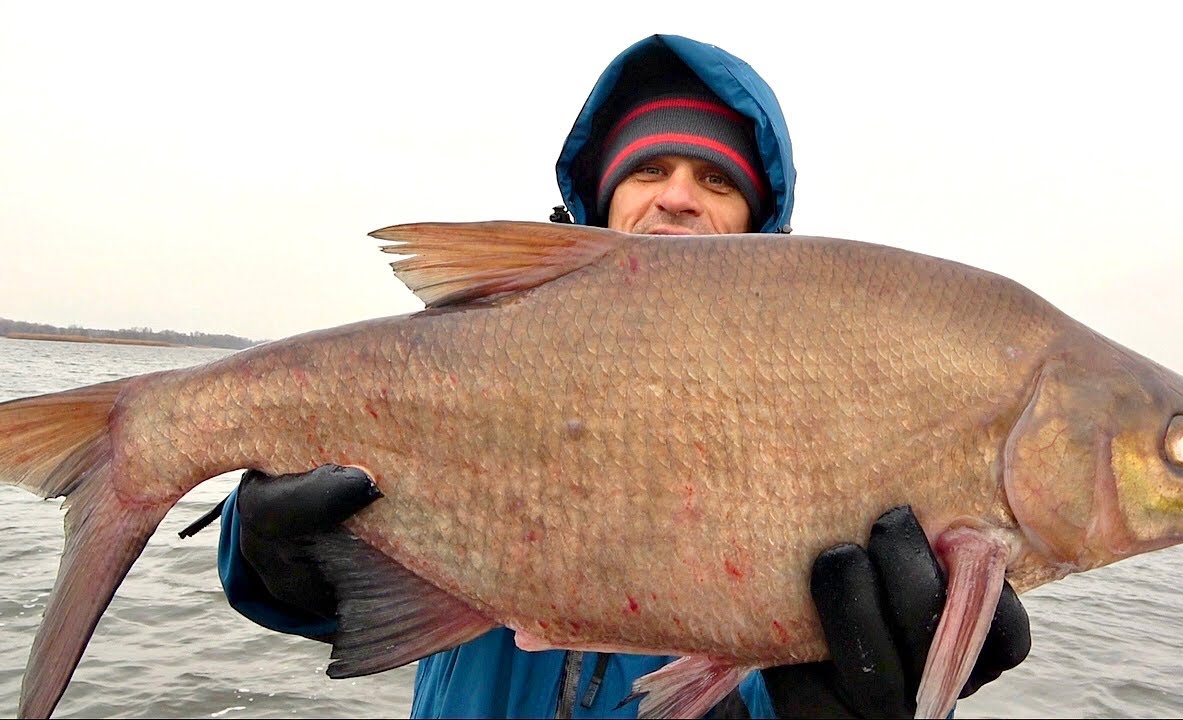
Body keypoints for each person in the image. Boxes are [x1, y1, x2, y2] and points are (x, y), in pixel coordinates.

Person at [205, 34, 1031, 718]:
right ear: (599, 200)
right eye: (649, 170)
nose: (678, 197)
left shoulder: (832, 400)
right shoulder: (479, 346)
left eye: (717, 180)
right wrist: (270, 552)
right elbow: (315, 555)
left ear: (762, 231)